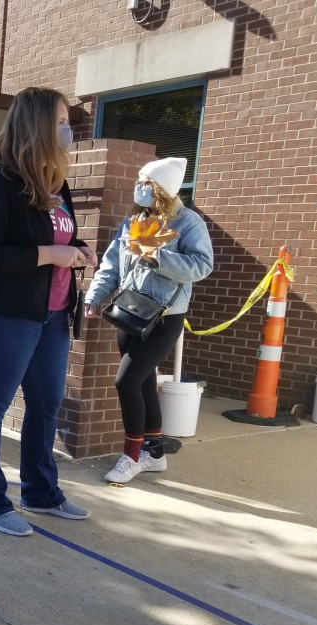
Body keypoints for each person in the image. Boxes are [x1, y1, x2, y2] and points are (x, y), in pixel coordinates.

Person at [0, 86, 98, 537]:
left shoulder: (57, 185)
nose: (68, 128)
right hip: (3, 314)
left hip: (53, 313)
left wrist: (78, 250)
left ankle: (40, 492)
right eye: (60, 120)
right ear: (36, 125)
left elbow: (59, 242)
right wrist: (48, 255)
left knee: (46, 405)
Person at [84, 158, 214, 484]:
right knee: (142, 382)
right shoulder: (133, 221)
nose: (139, 187)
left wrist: (157, 256)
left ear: (162, 189)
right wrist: (94, 297)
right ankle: (154, 453)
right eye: (139, 180)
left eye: (146, 182)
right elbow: (112, 265)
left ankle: (131, 456)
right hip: (130, 309)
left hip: (164, 316)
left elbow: (202, 265)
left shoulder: (188, 223)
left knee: (125, 381)